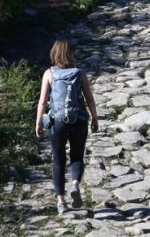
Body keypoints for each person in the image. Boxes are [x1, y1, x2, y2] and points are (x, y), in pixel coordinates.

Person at [34, 40, 100, 215]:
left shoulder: (49, 74)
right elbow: (89, 99)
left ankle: (61, 202)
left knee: (58, 161)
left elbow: (42, 102)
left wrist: (38, 122)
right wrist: (94, 118)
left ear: (53, 54)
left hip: (57, 122)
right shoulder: (79, 73)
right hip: (79, 120)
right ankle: (75, 184)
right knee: (77, 156)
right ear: (71, 54)